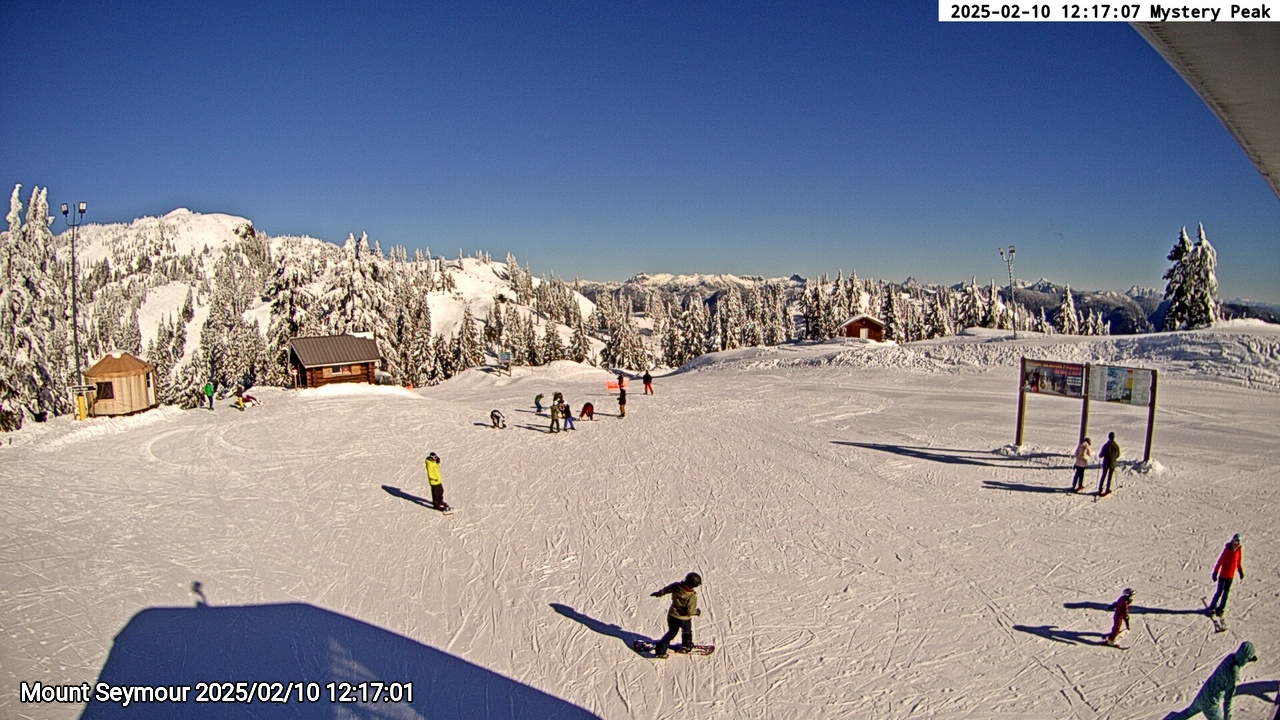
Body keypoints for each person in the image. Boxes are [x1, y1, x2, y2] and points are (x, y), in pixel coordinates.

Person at [1162, 641, 1257, 720]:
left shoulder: (1230, 657)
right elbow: (1228, 700)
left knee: (1188, 712)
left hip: (1203, 694)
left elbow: (1240, 658)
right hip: (1211, 704)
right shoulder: (1233, 673)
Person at [650, 572, 703, 658]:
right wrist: (696, 612)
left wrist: (660, 593)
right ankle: (687, 646)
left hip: (672, 614)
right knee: (687, 632)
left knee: (672, 632)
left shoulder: (676, 586)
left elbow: (667, 589)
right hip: (684, 618)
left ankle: (661, 649)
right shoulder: (692, 596)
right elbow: (689, 611)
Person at [1207, 534, 1244, 618]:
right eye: (1234, 541)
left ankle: (1221, 609)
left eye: (1237, 542)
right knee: (1219, 592)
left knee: (1226, 594)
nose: (1235, 543)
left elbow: (1238, 562)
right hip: (1223, 576)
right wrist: (1215, 572)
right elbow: (1220, 562)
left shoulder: (1238, 550)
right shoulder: (1227, 550)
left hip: (1230, 576)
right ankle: (1212, 607)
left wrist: (1240, 571)